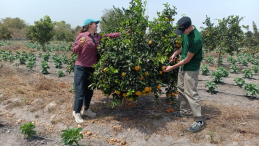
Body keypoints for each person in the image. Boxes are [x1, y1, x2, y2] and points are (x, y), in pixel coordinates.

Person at [72, 19, 121, 124]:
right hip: (81, 67)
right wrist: (80, 45)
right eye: (95, 24)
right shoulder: (82, 36)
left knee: (89, 90)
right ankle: (76, 112)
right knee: (80, 91)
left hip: (92, 67)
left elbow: (109, 36)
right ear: (90, 25)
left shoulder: (98, 36)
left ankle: (86, 109)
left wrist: (121, 34)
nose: (97, 26)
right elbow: (74, 50)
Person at [163, 16, 204, 133]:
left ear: (189, 27)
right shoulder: (186, 32)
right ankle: (182, 112)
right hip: (183, 66)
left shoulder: (196, 39)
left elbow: (187, 59)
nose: (182, 33)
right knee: (180, 88)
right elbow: (184, 46)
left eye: (183, 31)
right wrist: (176, 53)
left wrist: (172, 67)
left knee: (191, 92)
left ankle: (199, 120)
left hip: (191, 67)